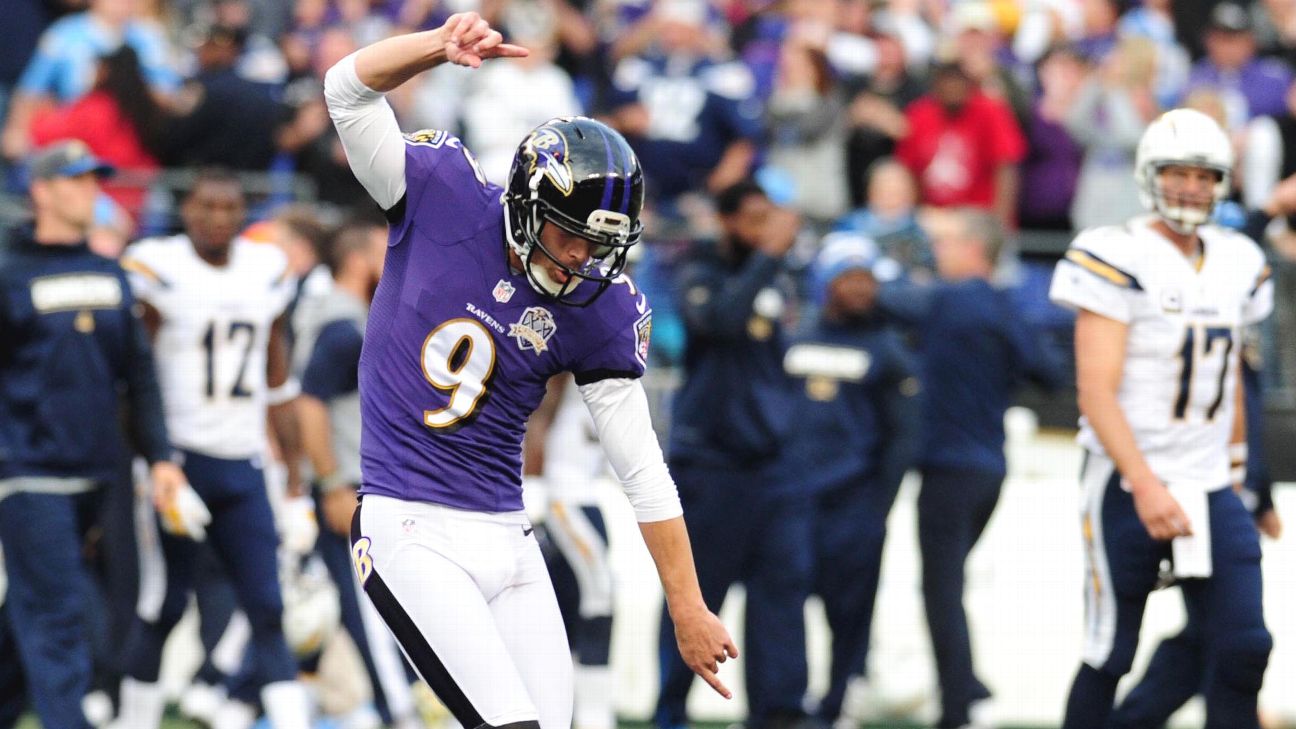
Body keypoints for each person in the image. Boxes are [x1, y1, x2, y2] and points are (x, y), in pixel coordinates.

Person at [323, 14, 737, 729]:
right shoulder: (442, 195)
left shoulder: (600, 307)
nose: (581, 258)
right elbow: (346, 91)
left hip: (510, 538)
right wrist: (432, 48)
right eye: (569, 234)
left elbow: (641, 468)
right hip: (409, 523)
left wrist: (688, 603)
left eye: (599, 244)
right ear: (526, 201)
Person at [1048, 108, 1274, 728]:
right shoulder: (1116, 251)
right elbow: (1096, 391)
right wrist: (1145, 483)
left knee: (1243, 645)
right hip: (1125, 479)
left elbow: (1229, 379)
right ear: (1152, 176)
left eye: (1205, 176)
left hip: (1207, 481)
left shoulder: (1237, 259)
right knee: (1110, 652)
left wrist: (1236, 474)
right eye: (1178, 173)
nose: (1192, 188)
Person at [109, 167, 312, 729]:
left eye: (228, 208)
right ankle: (135, 720)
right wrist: (155, 464)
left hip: (243, 461)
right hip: (180, 458)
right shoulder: (161, 267)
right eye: (205, 207)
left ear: (243, 215)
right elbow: (135, 381)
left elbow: (279, 384)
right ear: (186, 212)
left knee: (268, 607)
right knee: (165, 602)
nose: (217, 219)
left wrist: (294, 486)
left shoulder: (264, 271)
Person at [0, 140, 185, 729]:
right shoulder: (9, 274)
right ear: (43, 191)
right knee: (59, 615)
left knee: (55, 611)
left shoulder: (110, 272)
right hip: (31, 472)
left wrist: (160, 456)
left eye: (93, 180)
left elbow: (139, 374)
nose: (91, 191)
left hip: (106, 470)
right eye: (76, 181)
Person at [882, 208, 1065, 729]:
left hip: (946, 468)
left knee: (940, 591)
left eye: (949, 242)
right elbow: (1049, 374)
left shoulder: (943, 299)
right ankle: (971, 687)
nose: (940, 252)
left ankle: (958, 709)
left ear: (974, 249)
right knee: (950, 584)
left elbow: (885, 300)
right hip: (990, 468)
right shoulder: (1008, 309)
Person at [656, 180, 812, 729]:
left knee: (782, 596)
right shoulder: (699, 270)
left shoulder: (779, 278)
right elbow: (719, 322)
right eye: (751, 219)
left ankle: (778, 715)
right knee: (696, 597)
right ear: (725, 222)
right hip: (712, 466)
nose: (764, 230)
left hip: (774, 465)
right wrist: (769, 255)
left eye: (768, 219)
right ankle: (670, 710)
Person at [779, 234, 921, 728]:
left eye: (868, 280)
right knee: (783, 611)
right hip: (794, 502)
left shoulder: (888, 350)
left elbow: (902, 437)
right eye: (850, 278)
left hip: (855, 504)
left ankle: (840, 707)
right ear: (826, 282)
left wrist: (878, 505)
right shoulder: (795, 337)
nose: (861, 290)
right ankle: (783, 708)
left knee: (850, 615)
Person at [294, 220, 425, 729]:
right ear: (356, 260)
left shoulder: (336, 317)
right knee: (372, 612)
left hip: (345, 483)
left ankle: (233, 698)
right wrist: (330, 484)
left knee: (320, 611)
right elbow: (309, 405)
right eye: (380, 250)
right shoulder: (345, 327)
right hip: (348, 488)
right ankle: (400, 713)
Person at [523, 373, 618, 729]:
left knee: (568, 612)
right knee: (599, 598)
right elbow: (540, 411)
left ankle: (570, 712)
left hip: (585, 492)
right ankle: (594, 716)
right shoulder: (569, 354)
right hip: (563, 498)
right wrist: (533, 490)